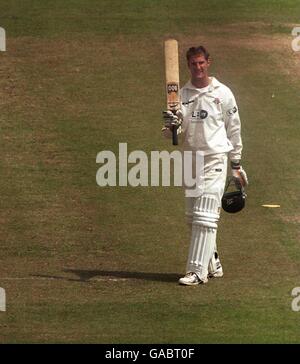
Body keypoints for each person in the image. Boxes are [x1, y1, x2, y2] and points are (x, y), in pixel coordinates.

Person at [162, 46, 248, 285]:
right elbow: (172, 137)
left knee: (206, 216)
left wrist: (236, 163)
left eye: (201, 63)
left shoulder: (223, 93)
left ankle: (197, 272)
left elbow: (235, 128)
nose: (197, 68)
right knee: (192, 218)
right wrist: (172, 125)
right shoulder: (182, 95)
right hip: (191, 159)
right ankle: (213, 263)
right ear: (187, 65)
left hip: (215, 157)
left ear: (208, 62)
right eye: (193, 64)